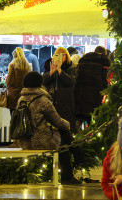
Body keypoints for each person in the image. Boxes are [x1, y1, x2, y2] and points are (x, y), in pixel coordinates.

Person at [42, 47, 81, 184]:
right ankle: (74, 163)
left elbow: (71, 82)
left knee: (65, 140)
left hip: (66, 108)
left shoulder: (71, 68)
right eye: (58, 55)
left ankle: (72, 168)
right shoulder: (49, 67)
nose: (61, 58)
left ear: (67, 57)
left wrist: (59, 71)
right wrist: (51, 72)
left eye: (63, 56)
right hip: (52, 109)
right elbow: (43, 82)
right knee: (63, 142)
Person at [17, 71, 70, 150]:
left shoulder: (21, 100)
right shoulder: (42, 100)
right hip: (42, 141)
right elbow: (57, 121)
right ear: (40, 83)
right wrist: (68, 124)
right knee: (64, 132)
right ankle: (73, 160)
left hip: (24, 142)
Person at [74, 45, 111, 124]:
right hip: (95, 96)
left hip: (80, 97)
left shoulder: (83, 60)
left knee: (80, 120)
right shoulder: (104, 62)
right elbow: (106, 81)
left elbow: (76, 76)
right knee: (94, 121)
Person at [6, 47, 31, 113]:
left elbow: (8, 81)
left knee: (13, 115)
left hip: (13, 94)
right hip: (24, 94)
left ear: (14, 56)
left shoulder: (12, 65)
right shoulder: (28, 65)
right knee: (23, 115)